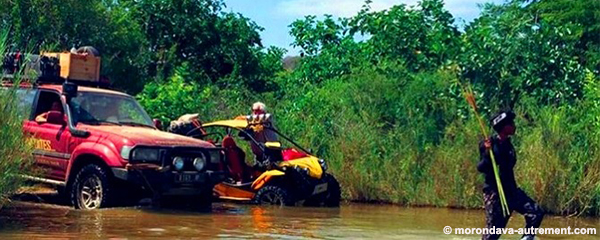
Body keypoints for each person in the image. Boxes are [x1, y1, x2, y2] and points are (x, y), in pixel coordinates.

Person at [478, 111, 544, 240]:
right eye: (511, 124)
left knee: (536, 212)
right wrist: (487, 153)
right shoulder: (489, 144)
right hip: (495, 193)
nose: (514, 126)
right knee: (493, 234)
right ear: (504, 127)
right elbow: (481, 167)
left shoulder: (508, 144)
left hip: (511, 191)